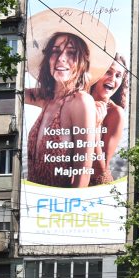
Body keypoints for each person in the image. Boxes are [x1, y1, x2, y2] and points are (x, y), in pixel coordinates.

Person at [24, 31, 105, 188]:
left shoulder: (81, 101)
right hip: (33, 205)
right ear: (48, 58)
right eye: (55, 51)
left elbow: (83, 170)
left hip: (62, 207)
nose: (61, 58)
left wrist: (73, 209)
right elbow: (14, 91)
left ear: (82, 62)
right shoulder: (46, 98)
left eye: (71, 52)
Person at [86, 54, 127, 185]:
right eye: (108, 72)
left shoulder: (115, 113)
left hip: (95, 188)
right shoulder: (75, 100)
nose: (112, 79)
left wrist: (95, 126)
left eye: (118, 75)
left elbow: (100, 169)